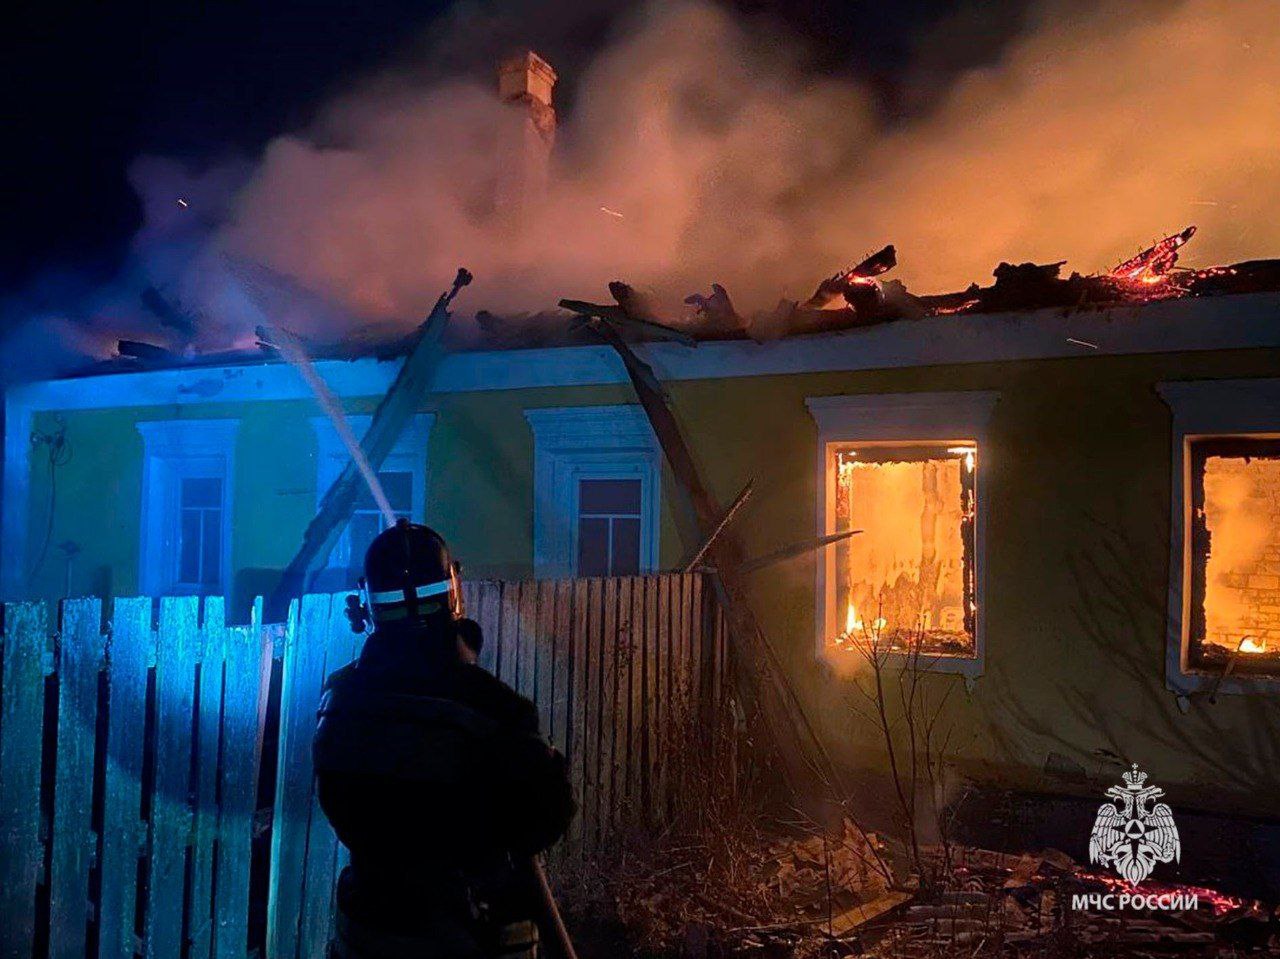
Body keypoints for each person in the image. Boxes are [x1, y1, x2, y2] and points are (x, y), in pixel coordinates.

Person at [313, 520, 575, 959]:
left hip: (366, 933)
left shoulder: (339, 702)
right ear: (453, 591)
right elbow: (548, 814)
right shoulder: (492, 707)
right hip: (470, 934)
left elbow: (339, 804)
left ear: (367, 604)